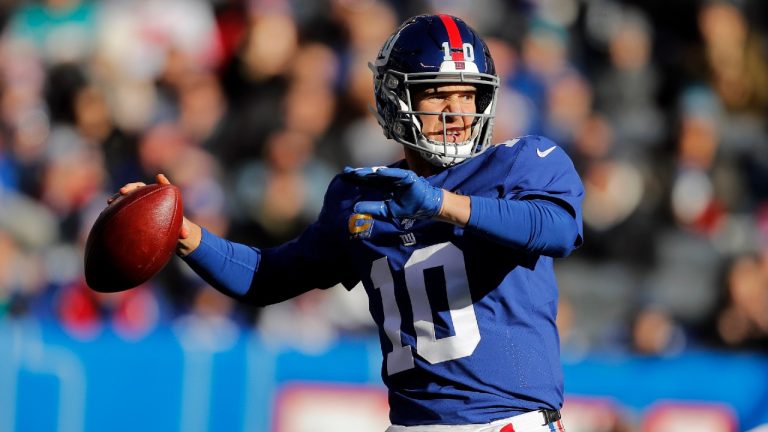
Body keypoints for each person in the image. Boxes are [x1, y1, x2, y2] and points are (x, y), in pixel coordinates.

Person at [114, 14, 583, 432]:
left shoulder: (523, 162)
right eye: (437, 93)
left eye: (468, 93)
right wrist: (188, 236)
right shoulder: (364, 195)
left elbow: (558, 229)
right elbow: (268, 277)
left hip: (508, 422)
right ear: (395, 98)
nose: (456, 111)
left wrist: (443, 204)